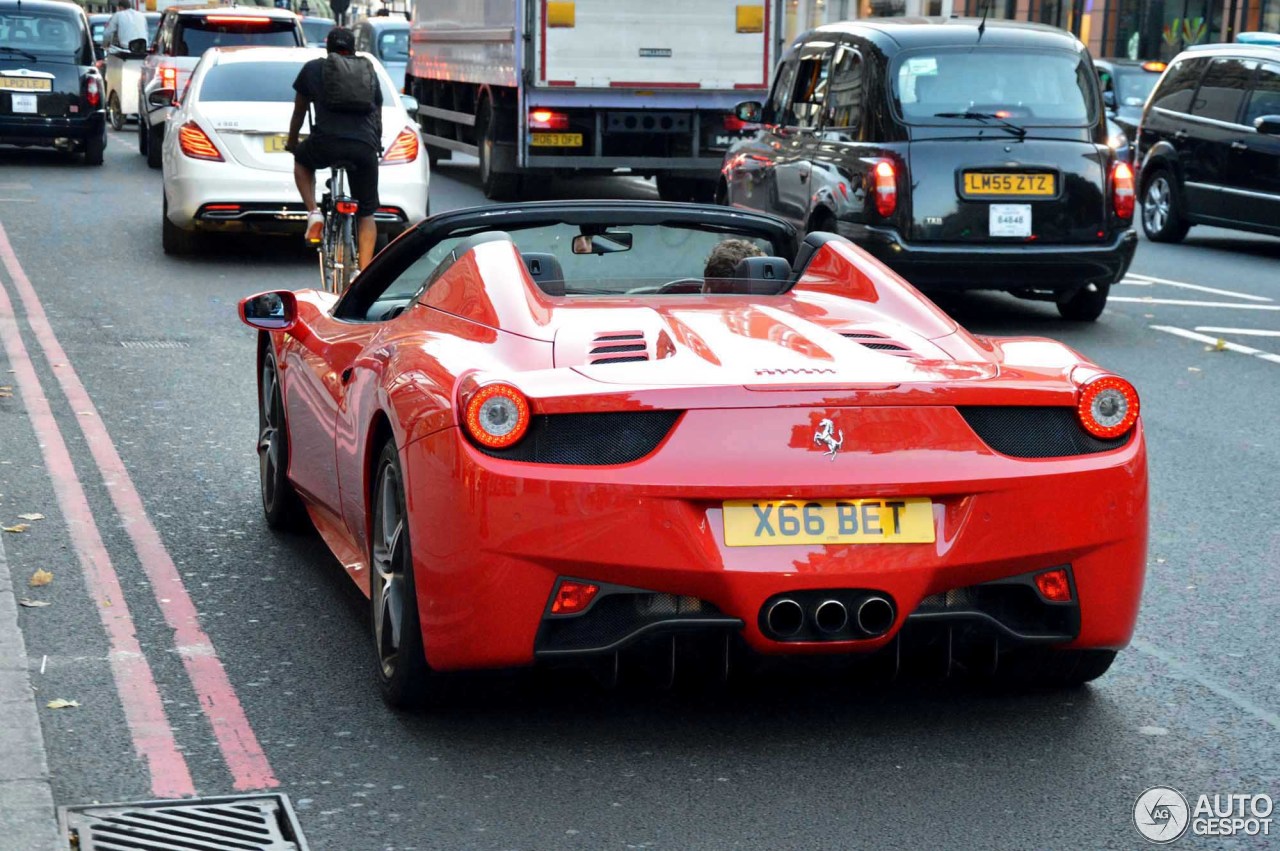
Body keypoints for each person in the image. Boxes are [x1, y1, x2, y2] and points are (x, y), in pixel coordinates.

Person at [285, 28, 383, 272]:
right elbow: (377, 113)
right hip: (364, 147)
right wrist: (375, 144)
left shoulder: (313, 69)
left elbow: (299, 111)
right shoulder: (368, 71)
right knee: (367, 213)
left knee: (301, 161)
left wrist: (293, 141)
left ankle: (314, 214)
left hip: (325, 143)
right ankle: (364, 275)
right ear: (353, 49)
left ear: (327, 48)